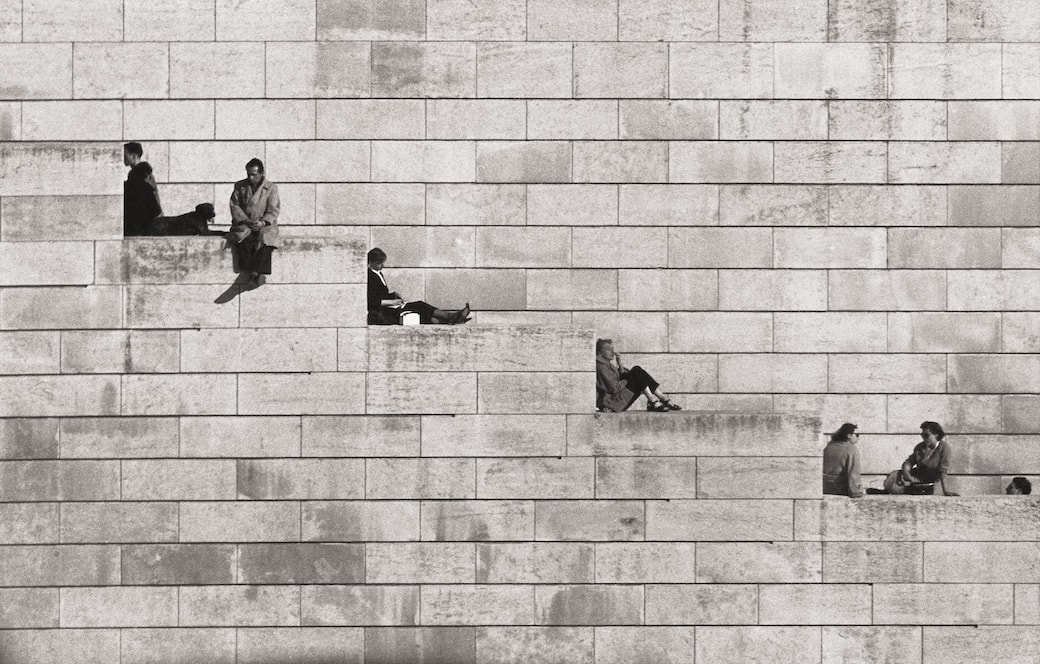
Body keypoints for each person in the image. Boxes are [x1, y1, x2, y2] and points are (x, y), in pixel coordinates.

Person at [367, 248, 470, 325]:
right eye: (379, 263)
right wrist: (392, 302)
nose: (382, 266)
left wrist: (394, 295)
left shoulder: (377, 273)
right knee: (419, 306)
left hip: (390, 308)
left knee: (422, 312)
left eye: (382, 263)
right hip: (384, 313)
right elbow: (372, 301)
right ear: (371, 262)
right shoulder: (370, 276)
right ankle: (452, 317)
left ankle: (453, 319)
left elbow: (380, 294)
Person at [229, 158, 279, 288]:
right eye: (248, 174)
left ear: (261, 173)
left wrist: (263, 222)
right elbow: (235, 205)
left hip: (264, 224)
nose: (250, 178)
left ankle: (256, 273)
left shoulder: (271, 188)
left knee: (266, 239)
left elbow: (273, 209)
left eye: (254, 174)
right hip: (245, 222)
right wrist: (245, 220)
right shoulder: (240, 186)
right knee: (244, 238)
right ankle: (255, 272)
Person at [595, 338, 681, 412]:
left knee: (638, 371)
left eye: (613, 349)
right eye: (608, 349)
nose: (612, 352)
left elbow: (620, 377)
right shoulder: (601, 367)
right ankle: (658, 400)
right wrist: (628, 379)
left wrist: (620, 364)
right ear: (599, 352)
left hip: (618, 400)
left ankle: (659, 399)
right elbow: (614, 388)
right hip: (614, 403)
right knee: (636, 371)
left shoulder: (607, 364)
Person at [880, 421, 958, 496]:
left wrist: (945, 491)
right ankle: (891, 489)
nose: (923, 438)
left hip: (930, 480)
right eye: (922, 435)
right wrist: (906, 472)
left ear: (936, 435)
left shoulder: (944, 448)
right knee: (894, 475)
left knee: (906, 487)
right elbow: (909, 462)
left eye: (926, 435)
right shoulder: (920, 447)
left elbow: (943, 470)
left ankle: (895, 490)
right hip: (917, 476)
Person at [822, 422, 863, 498]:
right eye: (857, 435)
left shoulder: (829, 446)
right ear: (849, 435)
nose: (858, 438)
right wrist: (856, 492)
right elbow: (853, 473)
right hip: (841, 490)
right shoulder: (851, 449)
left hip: (825, 489)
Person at [124, 160, 162, 236]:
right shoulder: (146, 188)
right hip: (143, 231)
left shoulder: (124, 187)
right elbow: (157, 213)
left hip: (126, 231)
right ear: (146, 176)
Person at [147, 203, 217, 236]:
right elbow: (205, 233)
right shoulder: (196, 219)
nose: (213, 214)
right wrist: (224, 233)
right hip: (162, 225)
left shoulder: (196, 217)